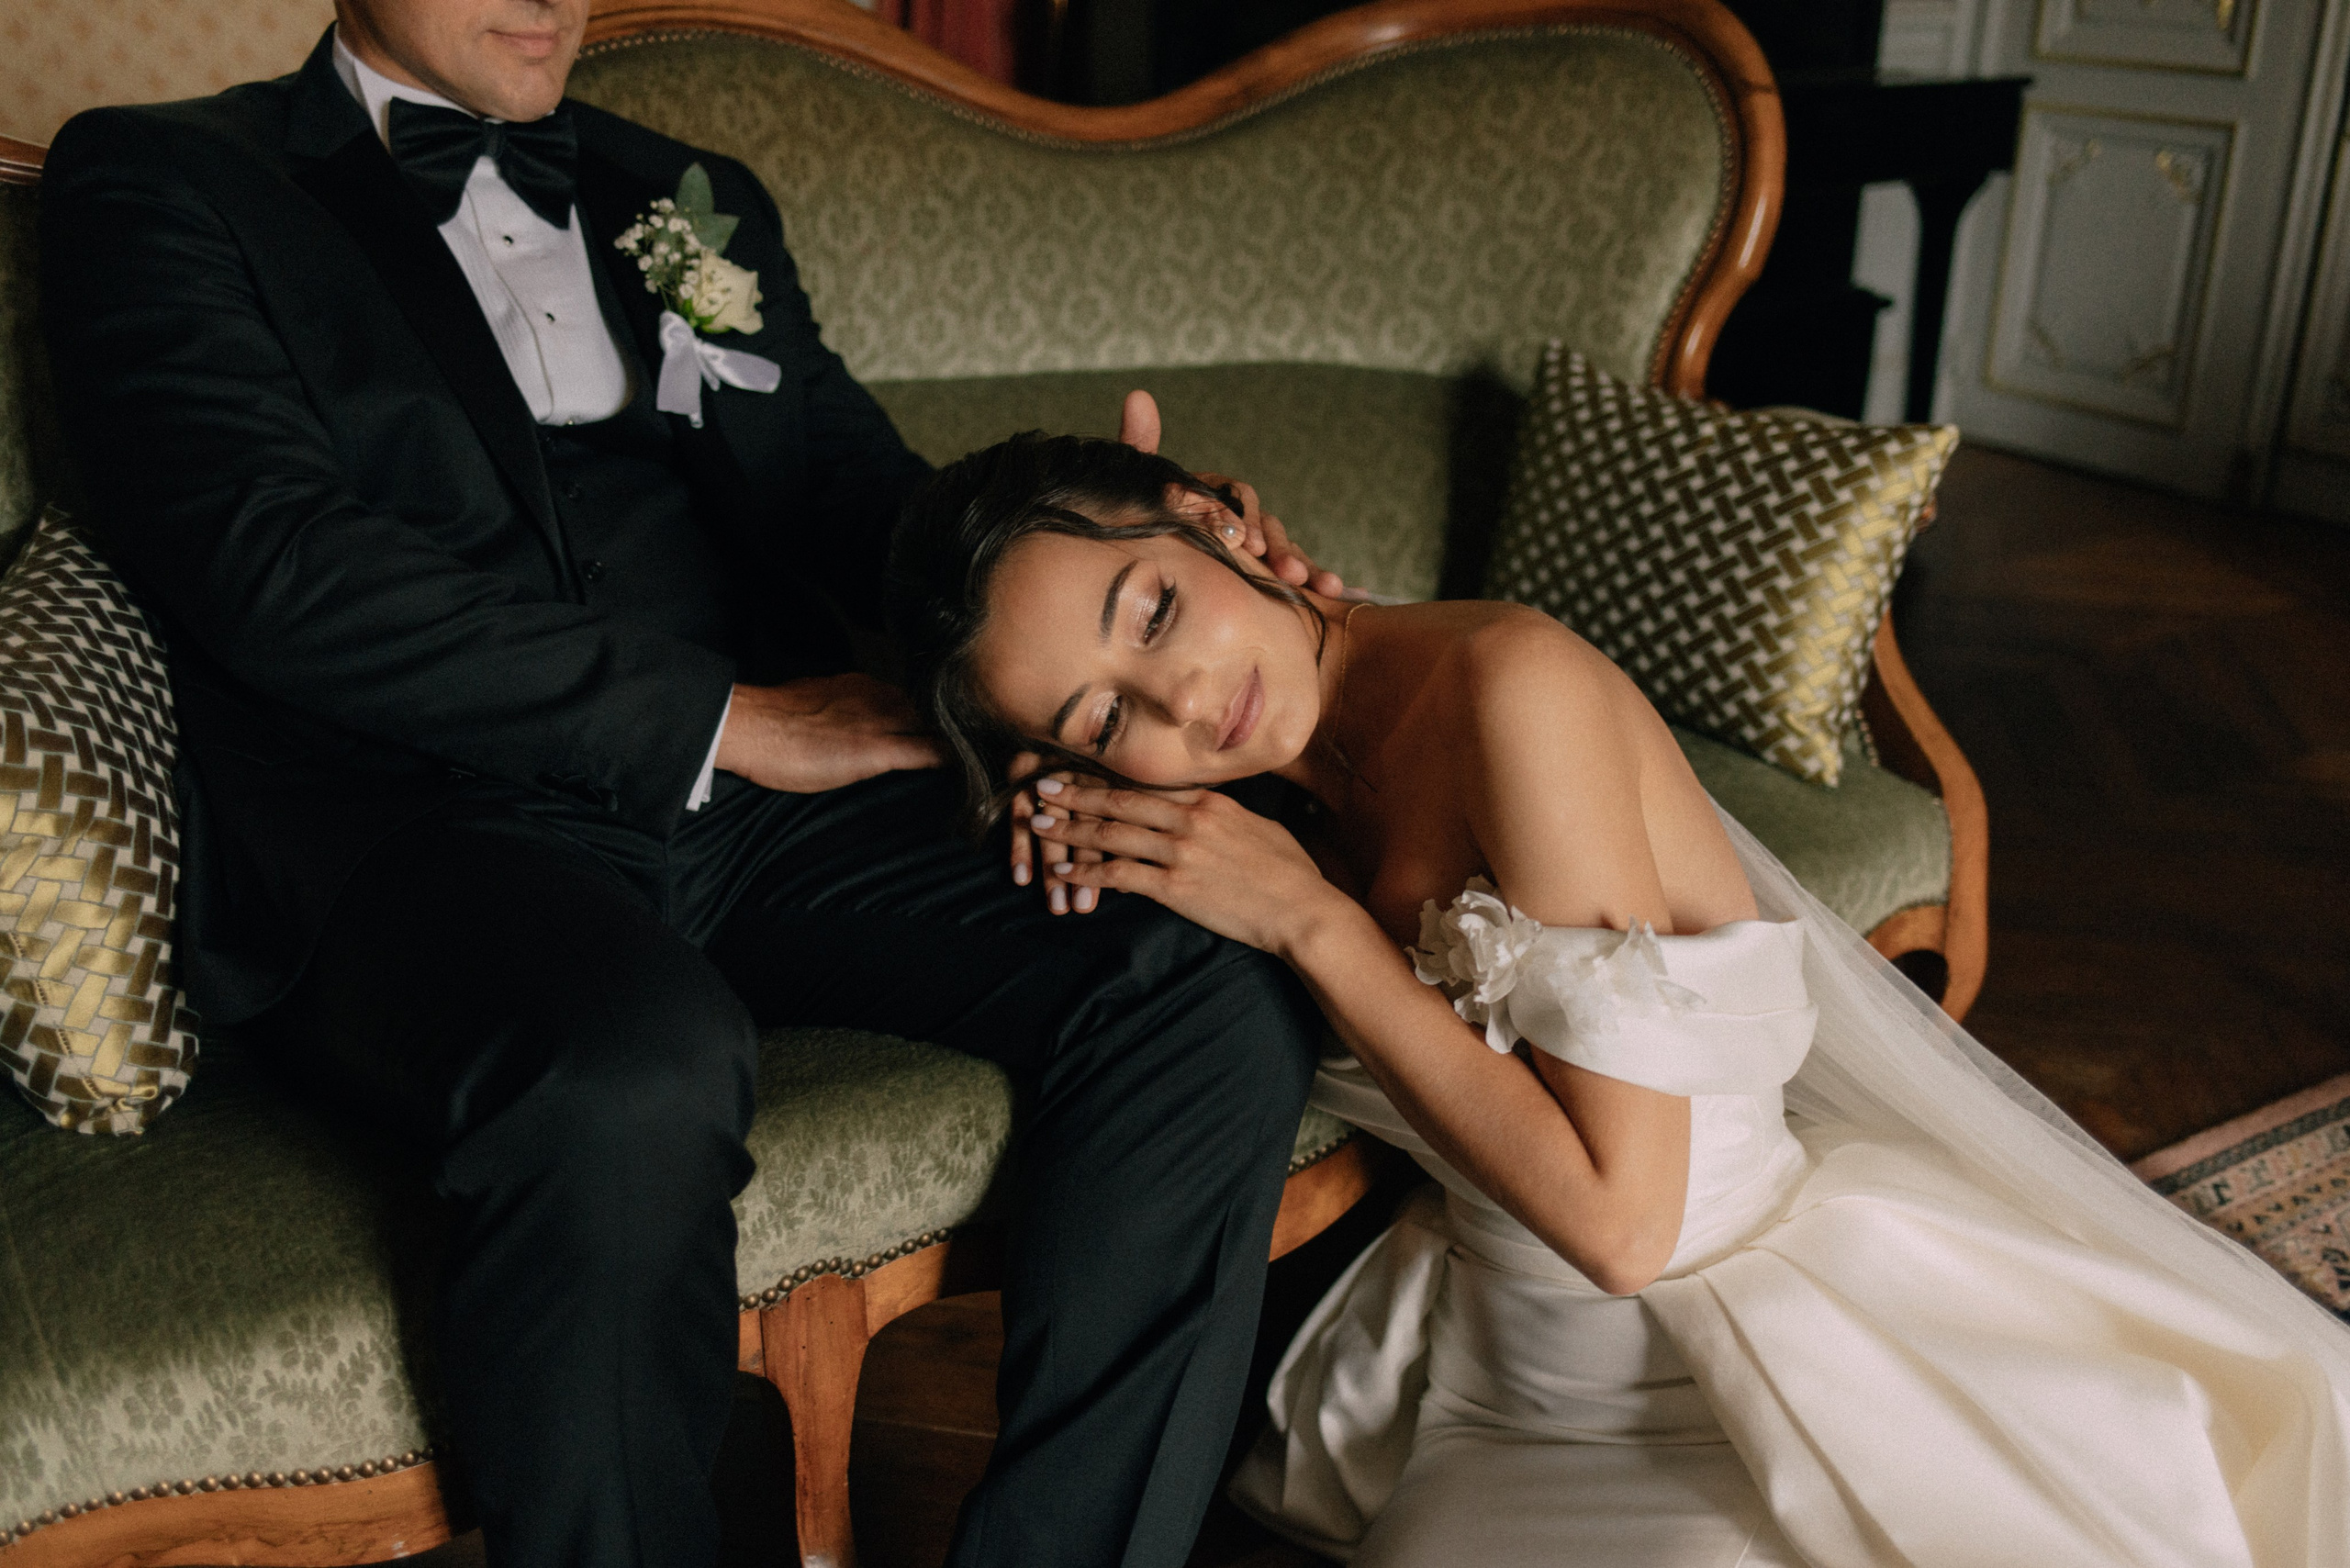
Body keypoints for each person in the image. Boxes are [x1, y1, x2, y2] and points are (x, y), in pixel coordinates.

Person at [36, 6, 1348, 1566]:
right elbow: (278, 570)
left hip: (778, 814)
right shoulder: (167, 179)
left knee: (1191, 950)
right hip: (424, 830)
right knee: (628, 1069)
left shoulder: (680, 190)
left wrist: (1127, 540)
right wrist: (723, 718)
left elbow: (852, 494)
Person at [887, 424, 2350, 1567]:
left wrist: (1313, 924)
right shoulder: (1265, 784)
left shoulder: (1507, 694)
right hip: (1485, 1377)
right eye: (1101, 720)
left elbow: (1624, 1225)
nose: (1185, 704)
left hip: (1724, 1356)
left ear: (1218, 521)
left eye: (1152, 613)